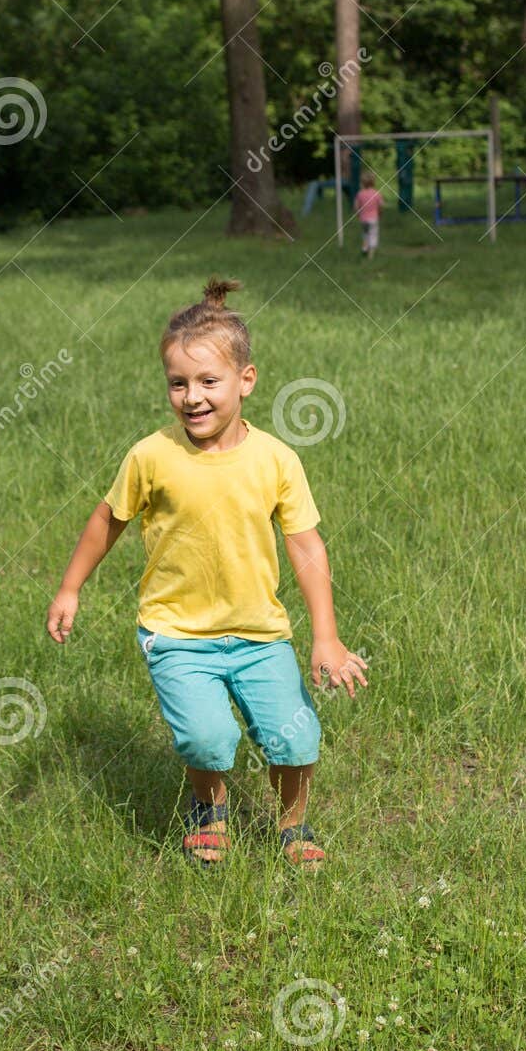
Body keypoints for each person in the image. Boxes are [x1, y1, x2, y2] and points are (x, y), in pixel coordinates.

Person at [46, 278, 368, 867]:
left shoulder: (276, 459)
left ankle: (294, 825)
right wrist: (70, 588)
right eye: (178, 383)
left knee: (294, 737)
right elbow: (107, 519)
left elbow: (305, 546)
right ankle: (209, 807)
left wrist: (326, 635)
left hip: (259, 633)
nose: (191, 397)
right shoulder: (152, 455)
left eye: (208, 382)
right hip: (176, 633)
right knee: (208, 739)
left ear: (246, 380)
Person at [353, 170, 383, 257]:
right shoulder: (377, 194)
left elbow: (356, 206)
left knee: (365, 233)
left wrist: (358, 214)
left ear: (362, 183)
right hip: (373, 218)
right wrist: (380, 214)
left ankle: (365, 247)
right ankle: (371, 254)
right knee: (373, 234)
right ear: (373, 182)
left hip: (363, 219)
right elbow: (380, 206)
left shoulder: (360, 194)